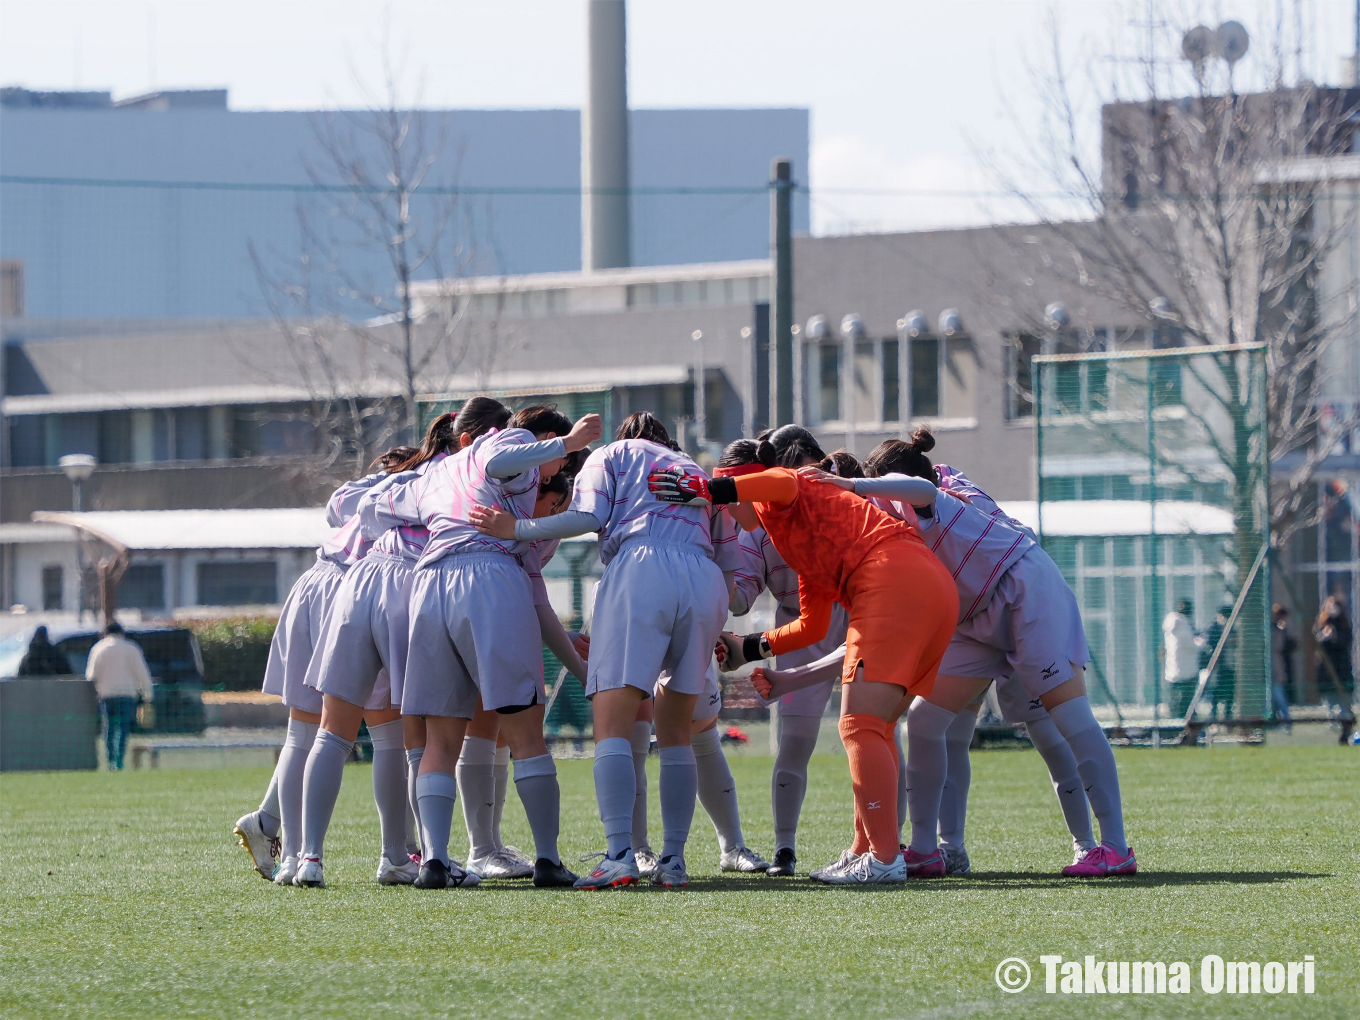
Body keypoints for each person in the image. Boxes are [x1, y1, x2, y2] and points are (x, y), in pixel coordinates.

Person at [772, 430, 1133, 878]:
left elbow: (922, 491)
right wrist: (796, 675)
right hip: (974, 619)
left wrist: (853, 486)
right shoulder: (895, 527)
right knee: (923, 722)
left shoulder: (931, 492)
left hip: (1025, 591)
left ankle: (1113, 847)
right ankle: (927, 849)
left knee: (1067, 721)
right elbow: (865, 640)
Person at [648, 433, 958, 885]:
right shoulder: (791, 533)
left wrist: (708, 489)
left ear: (740, 482)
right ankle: (867, 848)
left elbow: (780, 483)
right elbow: (812, 626)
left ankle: (886, 858)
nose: (723, 515)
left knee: (859, 725)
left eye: (725, 498)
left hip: (894, 581)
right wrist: (748, 648)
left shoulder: (790, 488)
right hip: (923, 585)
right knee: (878, 727)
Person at [471, 412, 737, 890]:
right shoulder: (696, 471)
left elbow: (590, 517)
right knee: (678, 730)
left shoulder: (612, 455)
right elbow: (732, 564)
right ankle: (674, 861)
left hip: (641, 568)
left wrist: (516, 528)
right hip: (704, 577)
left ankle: (620, 854)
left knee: (612, 723)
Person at [376, 398, 601, 890]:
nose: (561, 466)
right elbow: (499, 461)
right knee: (525, 734)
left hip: (430, 582)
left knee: (440, 738)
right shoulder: (508, 441)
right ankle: (547, 860)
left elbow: (379, 504)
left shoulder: (432, 473)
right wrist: (567, 442)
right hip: (489, 575)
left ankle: (435, 861)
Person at [234, 446, 415, 885]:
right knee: (383, 732)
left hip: (315, 582)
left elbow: (337, 505)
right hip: (356, 588)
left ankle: (292, 853)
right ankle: (394, 853)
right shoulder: (425, 485)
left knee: (307, 731)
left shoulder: (376, 487)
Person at [727, 431, 858, 878]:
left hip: (862, 611)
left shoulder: (836, 491)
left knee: (871, 733)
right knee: (796, 742)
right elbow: (740, 597)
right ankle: (785, 848)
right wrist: (708, 571)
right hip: (800, 628)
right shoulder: (756, 526)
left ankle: (889, 844)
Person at [85, 621, 153, 771]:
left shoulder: (99, 648)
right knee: (123, 727)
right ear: (121, 632)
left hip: (106, 695)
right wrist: (147, 695)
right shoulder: (131, 648)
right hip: (127, 694)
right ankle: (119, 759)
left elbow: (91, 676)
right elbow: (142, 673)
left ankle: (110, 760)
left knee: (108, 727)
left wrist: (94, 693)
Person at [1313, 594, 1356, 742]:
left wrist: (1335, 637)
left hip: (1342, 670)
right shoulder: (1321, 625)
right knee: (1331, 703)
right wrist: (1324, 637)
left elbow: (1345, 642)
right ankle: (1336, 723)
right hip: (1327, 672)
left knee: (1345, 703)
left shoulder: (1344, 626)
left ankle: (1345, 732)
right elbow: (1317, 643)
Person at [1163, 600, 1199, 720]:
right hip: (1187, 670)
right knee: (1186, 701)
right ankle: (1184, 721)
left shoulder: (1170, 625)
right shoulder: (1183, 624)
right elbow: (1191, 646)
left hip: (1172, 670)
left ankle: (1174, 721)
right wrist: (1202, 642)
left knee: (1174, 700)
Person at [1200, 606, 1236, 720]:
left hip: (1229, 664)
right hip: (1216, 665)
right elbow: (1209, 643)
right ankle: (1213, 716)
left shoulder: (1231, 628)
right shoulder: (1212, 628)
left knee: (1230, 690)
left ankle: (1227, 715)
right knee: (1215, 690)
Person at [1270, 604, 1295, 729]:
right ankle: (1284, 719)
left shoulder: (1280, 629)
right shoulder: (1274, 630)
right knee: (1278, 695)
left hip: (1277, 666)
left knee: (1278, 693)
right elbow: (1278, 646)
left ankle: (1285, 719)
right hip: (1273, 666)